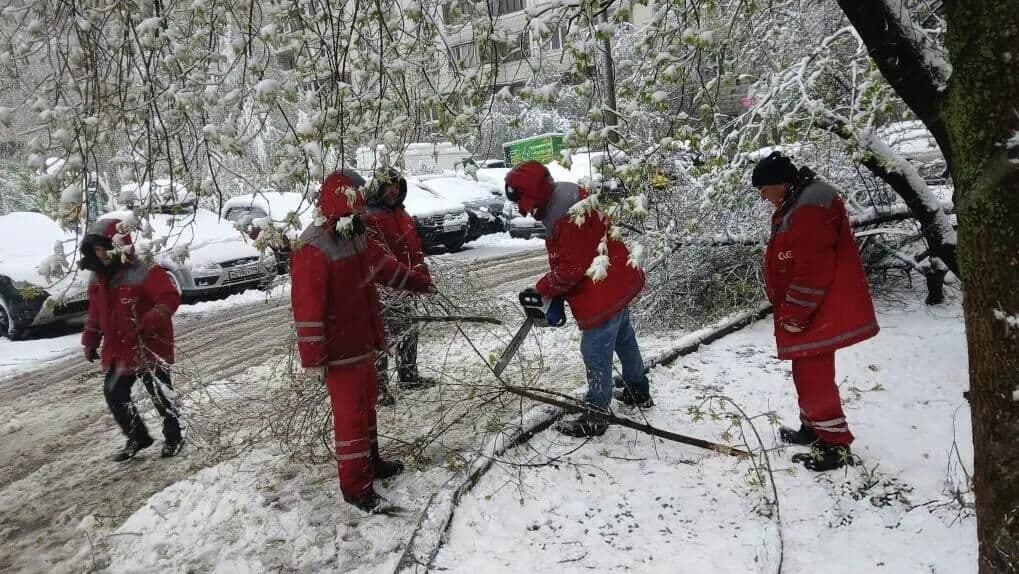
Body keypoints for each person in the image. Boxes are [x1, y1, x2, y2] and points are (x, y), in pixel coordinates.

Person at [290, 169, 435, 512]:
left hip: (363, 341)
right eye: (355, 208)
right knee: (351, 418)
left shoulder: (352, 233)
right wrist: (314, 357)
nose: (360, 215)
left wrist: (418, 282)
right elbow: (307, 308)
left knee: (366, 407)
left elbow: (381, 267)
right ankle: (356, 488)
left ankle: (371, 463)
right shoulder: (312, 246)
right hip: (339, 352)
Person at [752, 151, 879, 472]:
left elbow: (813, 266)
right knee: (806, 373)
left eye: (763, 189)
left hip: (817, 309)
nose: (762, 197)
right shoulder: (800, 201)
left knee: (815, 378)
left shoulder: (809, 208)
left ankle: (835, 445)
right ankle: (814, 428)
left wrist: (796, 311)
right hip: (812, 308)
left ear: (780, 183)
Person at [504, 161, 651, 438]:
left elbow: (572, 268)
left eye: (524, 202)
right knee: (624, 338)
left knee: (595, 352)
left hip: (603, 290)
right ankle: (638, 389)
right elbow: (574, 261)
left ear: (534, 192)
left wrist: (544, 288)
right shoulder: (567, 197)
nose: (526, 211)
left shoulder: (567, 217)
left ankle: (596, 414)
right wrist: (555, 288)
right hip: (616, 279)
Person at [79, 219, 185, 462]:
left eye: (102, 248)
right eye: (94, 250)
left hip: (149, 345)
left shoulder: (145, 269)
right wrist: (91, 340)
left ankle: (174, 436)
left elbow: (169, 298)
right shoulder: (97, 278)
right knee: (114, 392)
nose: (99, 254)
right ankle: (137, 436)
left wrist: (150, 320)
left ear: (117, 245)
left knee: (160, 393)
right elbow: (95, 312)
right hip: (119, 348)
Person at [363, 168, 436, 405]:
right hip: (384, 287)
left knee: (408, 330)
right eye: (388, 187)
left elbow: (414, 245)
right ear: (378, 189)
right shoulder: (370, 217)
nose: (393, 192)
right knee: (381, 337)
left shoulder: (402, 214)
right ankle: (379, 387)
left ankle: (408, 375)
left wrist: (420, 268)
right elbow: (376, 256)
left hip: (407, 284)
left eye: (397, 188)